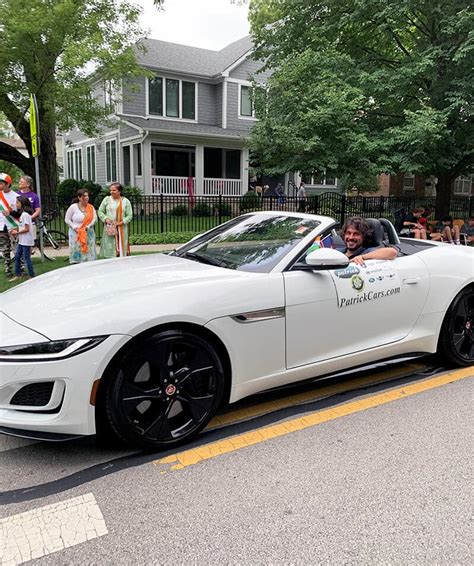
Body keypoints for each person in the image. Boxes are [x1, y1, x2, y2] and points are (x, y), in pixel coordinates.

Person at [98, 182, 133, 258]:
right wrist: (105, 219)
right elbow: (100, 211)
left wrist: (120, 223)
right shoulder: (106, 199)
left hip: (121, 228)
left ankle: (121, 261)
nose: (111, 192)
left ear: (119, 191)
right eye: (110, 190)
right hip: (110, 228)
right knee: (109, 247)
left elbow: (129, 216)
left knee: (121, 246)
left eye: (114, 190)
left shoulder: (125, 201)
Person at [65, 188, 98, 264]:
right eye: (84, 196)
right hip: (75, 232)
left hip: (88, 232)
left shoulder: (91, 207)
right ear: (79, 198)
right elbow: (67, 219)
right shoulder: (73, 207)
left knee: (89, 249)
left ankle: (88, 263)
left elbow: (94, 219)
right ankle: (76, 262)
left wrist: (88, 226)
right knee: (76, 248)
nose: (87, 198)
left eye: (87, 196)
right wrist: (74, 227)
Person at [9, 196, 35, 280]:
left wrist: (16, 232)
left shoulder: (25, 215)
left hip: (26, 241)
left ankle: (32, 276)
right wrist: (15, 229)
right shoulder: (22, 214)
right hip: (22, 240)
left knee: (26, 258)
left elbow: (27, 229)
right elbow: (22, 226)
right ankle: (18, 275)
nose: (16, 204)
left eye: (17, 202)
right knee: (17, 256)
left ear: (22, 203)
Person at [0, 173, 19, 278]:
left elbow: (20, 213)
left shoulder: (16, 196)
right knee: (5, 249)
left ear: (7, 184)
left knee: (16, 248)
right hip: (1, 226)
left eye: (1, 183)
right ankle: (8, 269)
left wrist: (10, 212)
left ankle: (19, 269)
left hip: (13, 226)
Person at [17, 175, 41, 241]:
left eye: (21, 182)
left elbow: (38, 210)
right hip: (18, 222)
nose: (19, 183)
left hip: (30, 223)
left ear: (28, 184)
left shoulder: (34, 196)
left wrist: (30, 218)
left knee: (29, 243)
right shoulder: (16, 194)